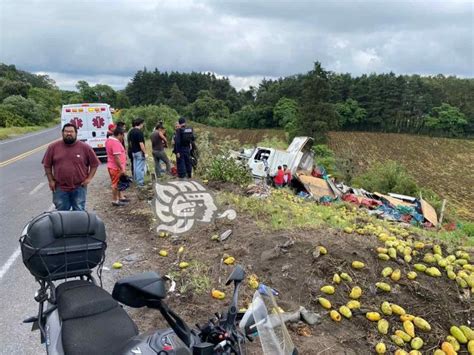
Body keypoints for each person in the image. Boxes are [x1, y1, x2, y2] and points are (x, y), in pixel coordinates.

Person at [42, 123, 100, 211]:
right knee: (61, 213)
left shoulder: (85, 147)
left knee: (79, 210)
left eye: (71, 131)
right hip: (60, 187)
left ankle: (77, 225)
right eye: (66, 131)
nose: (69, 133)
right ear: (62, 133)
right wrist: (51, 180)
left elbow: (94, 164)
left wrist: (89, 178)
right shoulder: (53, 147)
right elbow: (47, 165)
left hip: (79, 186)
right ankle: (63, 225)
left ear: (76, 133)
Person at [105, 126, 129, 206]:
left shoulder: (109, 140)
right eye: (122, 135)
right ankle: (115, 200)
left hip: (112, 166)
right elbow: (116, 157)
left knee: (119, 182)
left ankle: (120, 197)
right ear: (119, 134)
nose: (123, 138)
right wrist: (121, 168)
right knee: (115, 184)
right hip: (116, 167)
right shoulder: (115, 142)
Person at [128, 118, 147, 187]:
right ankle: (140, 183)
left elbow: (130, 142)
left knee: (135, 167)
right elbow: (141, 143)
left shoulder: (131, 131)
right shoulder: (139, 132)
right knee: (140, 168)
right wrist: (145, 152)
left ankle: (136, 180)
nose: (143, 125)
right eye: (142, 123)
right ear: (140, 123)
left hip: (133, 151)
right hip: (139, 152)